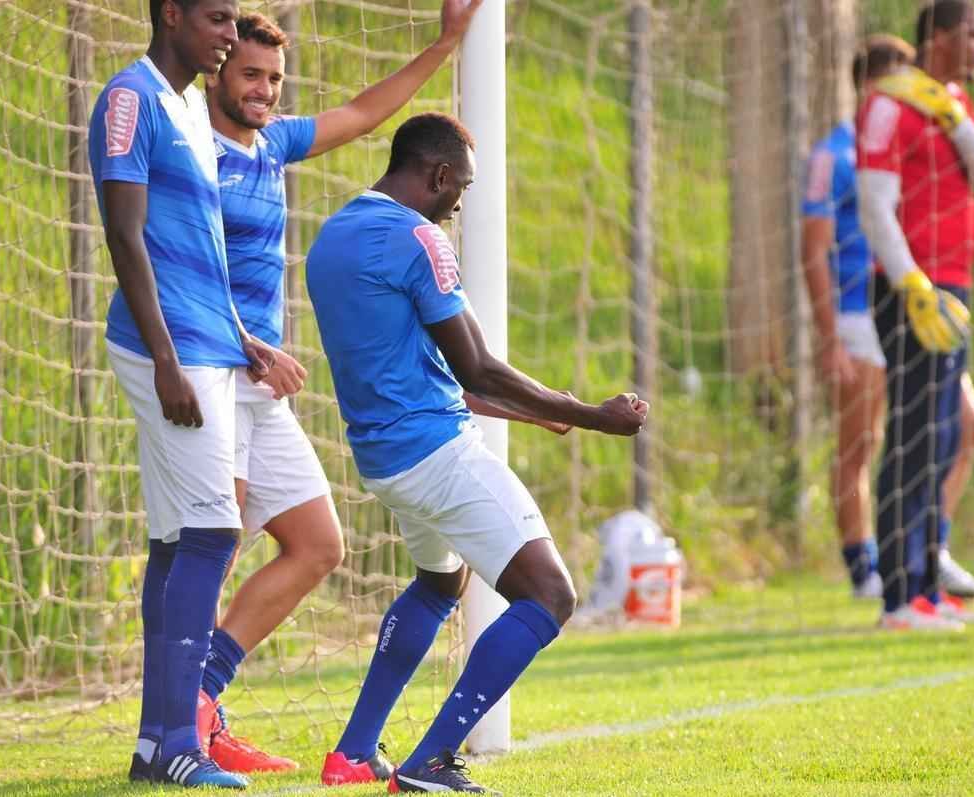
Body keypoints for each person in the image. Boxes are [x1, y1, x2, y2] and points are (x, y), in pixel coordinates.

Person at [188, 2, 488, 777]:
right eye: (249, 73)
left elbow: (362, 113)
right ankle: (178, 721)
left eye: (275, 80)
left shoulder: (273, 144)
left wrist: (445, 42)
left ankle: (202, 699)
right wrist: (244, 346)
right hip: (212, 369)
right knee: (212, 545)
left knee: (318, 543)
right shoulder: (189, 145)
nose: (263, 90)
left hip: (262, 383)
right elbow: (175, 264)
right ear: (216, 65)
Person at [306, 112, 647, 793]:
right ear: (437, 176)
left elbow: (402, 365)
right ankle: (431, 759)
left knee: (442, 582)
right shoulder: (418, 238)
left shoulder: (333, 235)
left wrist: (533, 407)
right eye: (458, 191)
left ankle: (352, 753)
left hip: (385, 458)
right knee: (550, 594)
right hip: (438, 454)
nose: (458, 206)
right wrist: (591, 414)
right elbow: (476, 368)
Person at [89, 0, 280, 788]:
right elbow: (124, 233)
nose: (229, 34)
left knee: (178, 541)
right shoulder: (130, 98)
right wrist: (167, 358)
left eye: (234, 20)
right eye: (217, 18)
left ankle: (153, 742)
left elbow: (198, 244)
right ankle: (178, 742)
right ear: (171, 15)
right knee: (210, 534)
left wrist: (243, 340)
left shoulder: (187, 110)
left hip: (209, 343)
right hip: (170, 350)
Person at [856, 0, 974, 630]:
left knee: (944, 436)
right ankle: (897, 598)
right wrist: (912, 283)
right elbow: (874, 207)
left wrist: (953, 117)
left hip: (953, 292)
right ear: (940, 37)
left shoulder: (949, 106)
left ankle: (927, 587)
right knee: (913, 439)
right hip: (910, 294)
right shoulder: (889, 103)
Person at [801, 35, 914, 600]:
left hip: (908, 310)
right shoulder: (833, 155)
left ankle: (924, 550)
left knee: (965, 426)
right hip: (855, 316)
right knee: (861, 442)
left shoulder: (905, 152)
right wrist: (830, 340)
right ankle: (862, 566)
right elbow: (812, 249)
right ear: (872, 86)